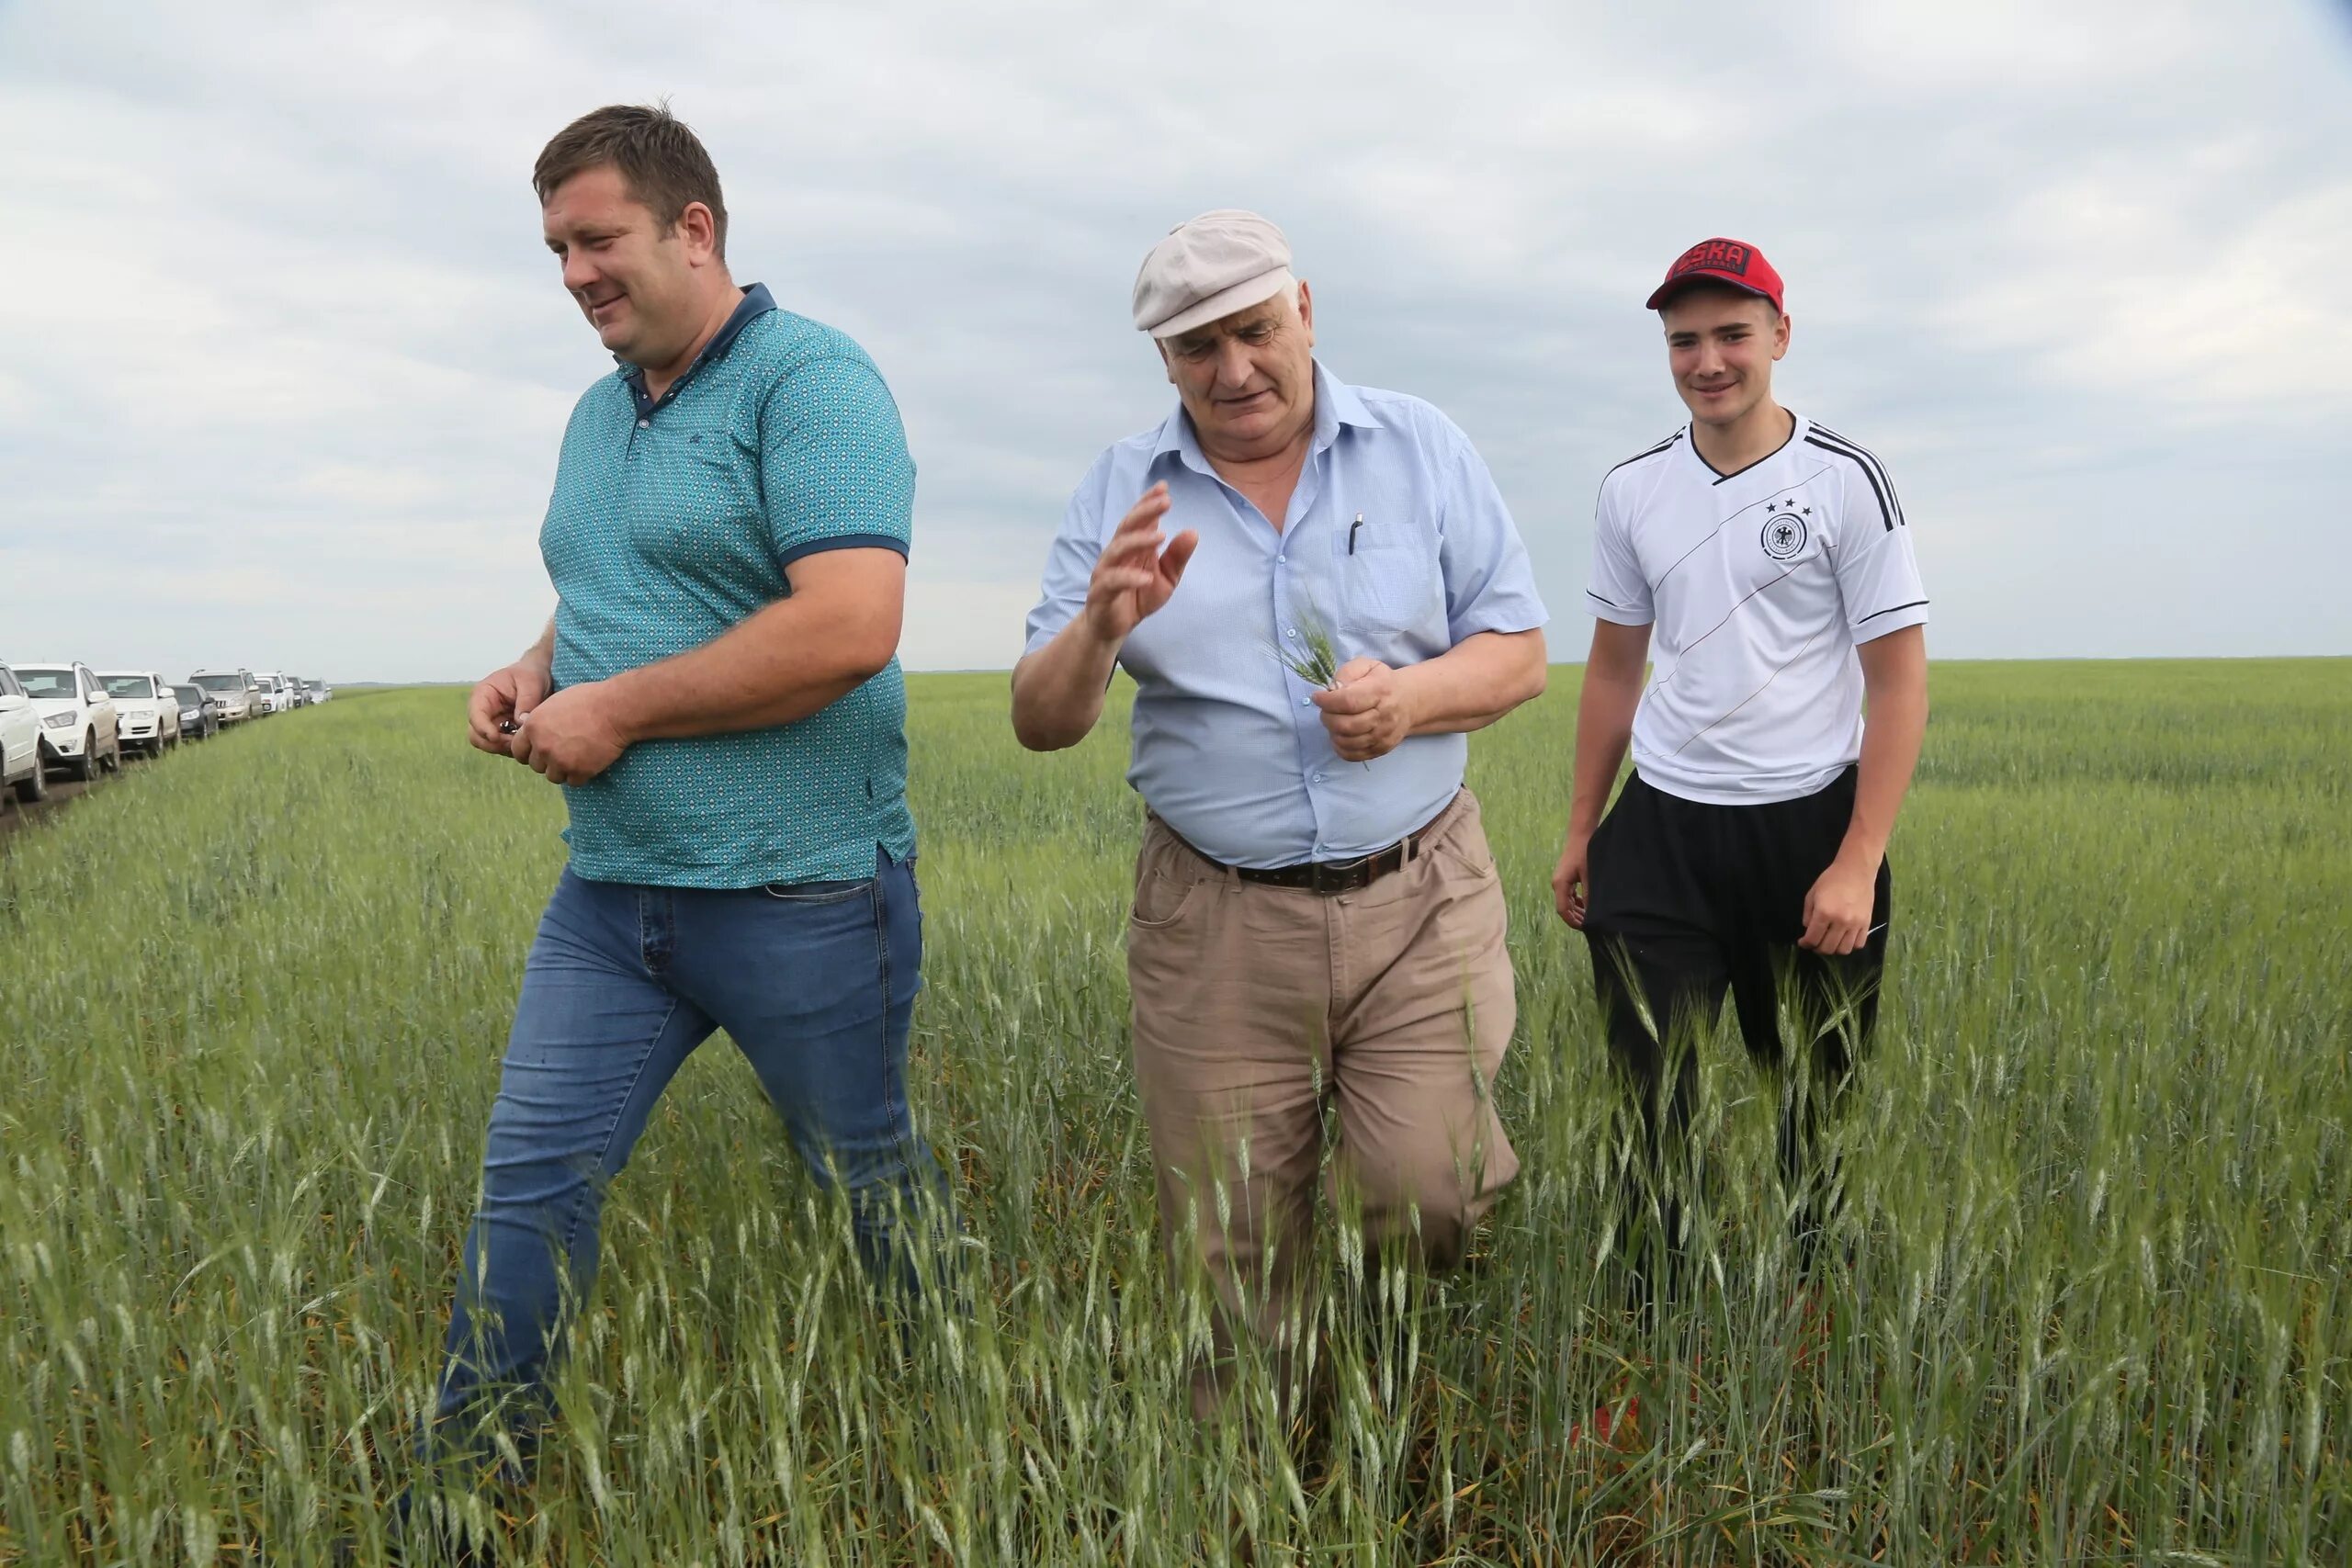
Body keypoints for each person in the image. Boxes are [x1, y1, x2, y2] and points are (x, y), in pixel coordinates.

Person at [429, 103, 952, 1482]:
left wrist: (619, 708)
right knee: (529, 1186)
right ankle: (462, 1494)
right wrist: (540, 667)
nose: (573, 274)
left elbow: (849, 624)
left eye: (596, 239)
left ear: (694, 229)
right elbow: (611, 580)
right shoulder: (599, 416)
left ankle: (950, 1432)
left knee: (869, 1185)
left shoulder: (813, 380)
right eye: (555, 248)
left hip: (805, 891)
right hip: (612, 895)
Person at [1012, 209, 1549, 1418]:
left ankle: (1397, 1404)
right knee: (1233, 1243)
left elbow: (1517, 654)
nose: (1234, 368)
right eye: (1198, 347)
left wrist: (1410, 699)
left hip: (1421, 903)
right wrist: (1102, 625)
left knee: (1431, 1191)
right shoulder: (1122, 490)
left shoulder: (1421, 448)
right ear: (1163, 361)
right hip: (1215, 919)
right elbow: (1040, 718)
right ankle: (1268, 1486)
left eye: (1255, 330)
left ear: (1304, 310)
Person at [1552, 237, 1930, 1305]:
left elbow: (1897, 686)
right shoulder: (1631, 491)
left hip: (1809, 835)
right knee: (1648, 1112)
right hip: (1661, 833)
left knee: (1816, 1112)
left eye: (1730, 334)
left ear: (1779, 334)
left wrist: (1858, 862)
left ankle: (1815, 1332)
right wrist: (1584, 829)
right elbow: (1614, 670)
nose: (1707, 360)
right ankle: (1660, 1337)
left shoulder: (1846, 481)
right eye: (1684, 340)